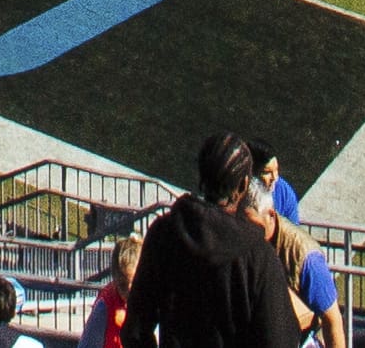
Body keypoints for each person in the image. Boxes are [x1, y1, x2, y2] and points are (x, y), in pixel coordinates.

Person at [116, 140, 297, 348]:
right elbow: (279, 339)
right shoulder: (258, 256)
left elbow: (135, 330)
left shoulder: (164, 234)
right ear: (243, 185)